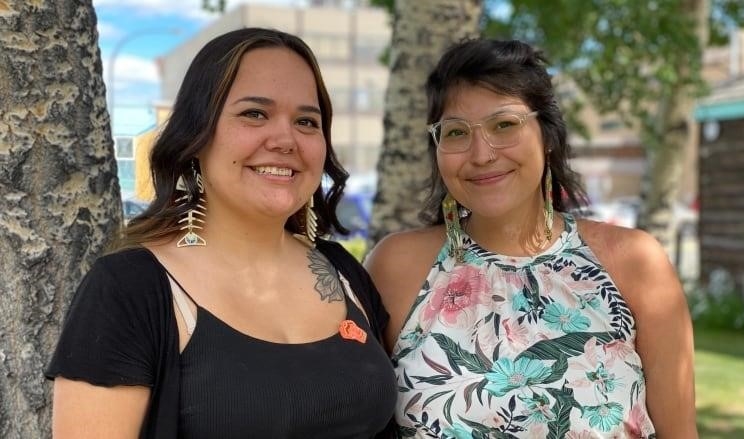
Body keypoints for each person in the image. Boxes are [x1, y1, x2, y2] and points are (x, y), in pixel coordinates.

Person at [46, 28, 396, 438]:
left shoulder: (343, 273)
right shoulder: (129, 290)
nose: (285, 139)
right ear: (196, 135)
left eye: (306, 121)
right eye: (254, 114)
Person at [365, 38, 697, 438]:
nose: (482, 153)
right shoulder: (397, 267)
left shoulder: (634, 262)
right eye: (455, 132)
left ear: (548, 134)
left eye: (504, 124)